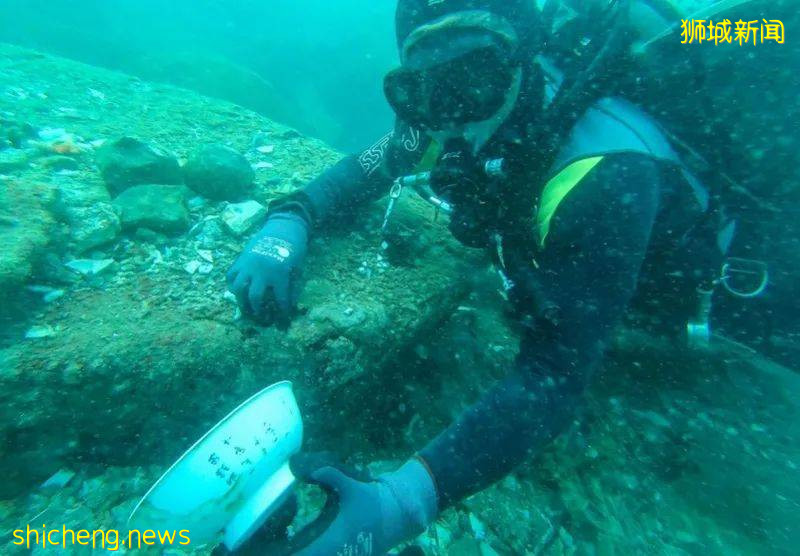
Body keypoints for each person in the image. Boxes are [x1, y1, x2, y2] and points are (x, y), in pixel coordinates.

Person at [227, 1, 732, 553]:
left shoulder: (606, 172)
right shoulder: (439, 113)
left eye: (474, 74)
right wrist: (288, 222)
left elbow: (556, 377)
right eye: (425, 85)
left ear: (522, 61)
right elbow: (366, 169)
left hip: (675, 290)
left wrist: (401, 500)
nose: (454, 115)